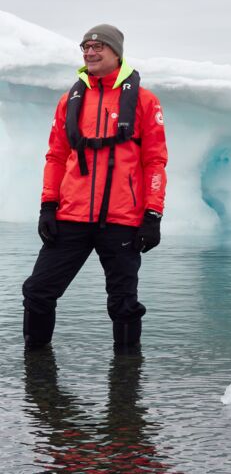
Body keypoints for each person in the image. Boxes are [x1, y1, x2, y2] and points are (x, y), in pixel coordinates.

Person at [22, 24, 168, 348]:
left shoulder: (144, 101)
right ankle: (37, 376)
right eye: (86, 47)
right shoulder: (69, 100)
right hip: (71, 216)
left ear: (116, 52)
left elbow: (155, 162)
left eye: (98, 46)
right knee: (37, 292)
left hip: (122, 220)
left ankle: (127, 387)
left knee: (124, 305)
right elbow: (56, 156)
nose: (90, 52)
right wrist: (48, 206)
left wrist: (153, 214)